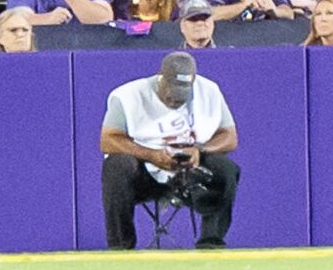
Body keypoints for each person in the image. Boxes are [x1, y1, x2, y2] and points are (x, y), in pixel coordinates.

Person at [99, 49, 241, 248]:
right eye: (171, 94)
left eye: (182, 95)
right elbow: (108, 140)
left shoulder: (209, 90)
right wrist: (151, 155)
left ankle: (211, 244)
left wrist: (200, 151)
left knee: (225, 168)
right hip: (145, 173)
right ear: (160, 79)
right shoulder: (127, 95)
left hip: (190, 174)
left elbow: (230, 137)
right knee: (116, 164)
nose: (175, 100)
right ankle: (121, 246)